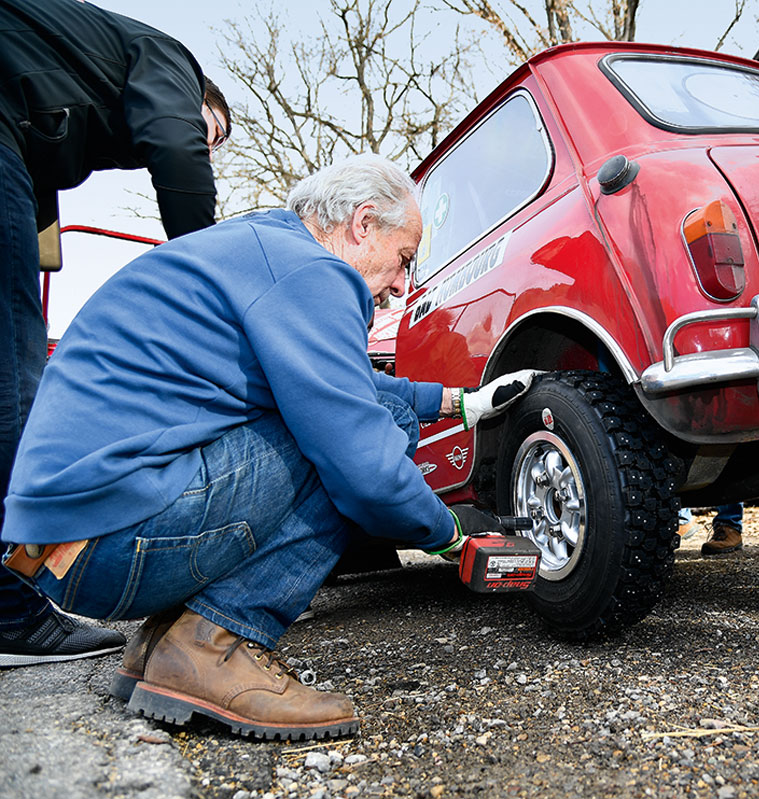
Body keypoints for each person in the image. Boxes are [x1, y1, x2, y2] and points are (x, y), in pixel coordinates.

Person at [1, 153, 539, 741]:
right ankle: (218, 643)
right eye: (403, 260)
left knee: (360, 414)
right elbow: (362, 455)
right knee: (367, 434)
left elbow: (343, 379)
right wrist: (450, 533)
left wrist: (458, 403)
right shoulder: (312, 272)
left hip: (69, 547)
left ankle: (161, 646)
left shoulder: (262, 251)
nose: (398, 287)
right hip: (115, 540)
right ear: (363, 224)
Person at [0, 0, 232, 668]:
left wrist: (39, 248)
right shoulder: (170, 61)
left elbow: (35, 182)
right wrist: (210, 281)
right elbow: (174, 142)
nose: (206, 146)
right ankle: (9, 607)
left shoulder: (65, 78)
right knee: (17, 368)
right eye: (212, 132)